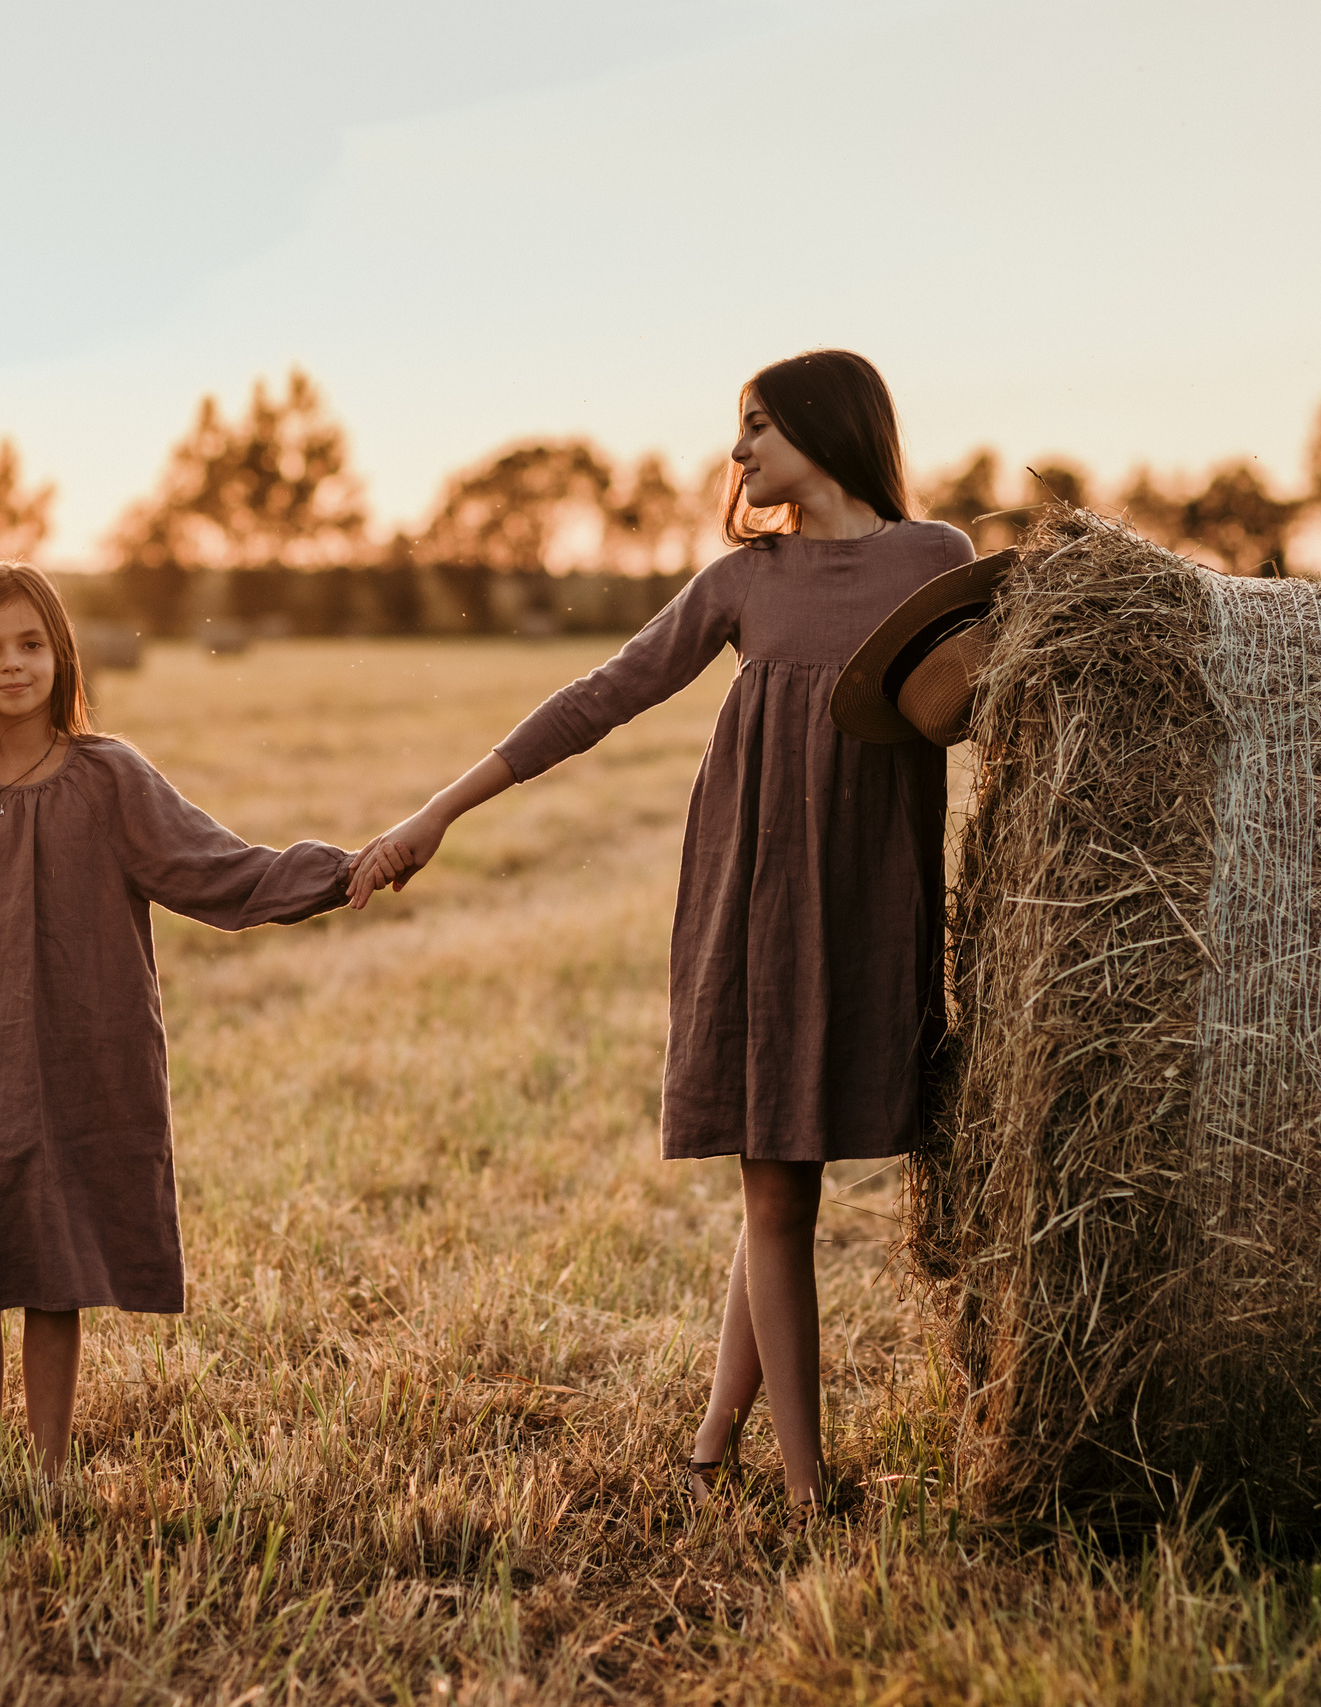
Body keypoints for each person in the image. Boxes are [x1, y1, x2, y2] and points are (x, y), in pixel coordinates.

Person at [349, 350, 975, 1511]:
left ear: (823, 427)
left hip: (869, 903)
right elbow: (599, 696)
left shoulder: (933, 562)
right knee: (779, 1190)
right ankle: (803, 1488)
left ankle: (707, 1452)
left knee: (787, 1189)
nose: (735, 453)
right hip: (758, 905)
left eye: (756, 427)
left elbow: (990, 697)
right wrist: (437, 812)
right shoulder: (746, 581)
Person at [0, 561, 364, 1486]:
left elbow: (216, 867)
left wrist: (335, 872)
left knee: (56, 1263)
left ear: (63, 653)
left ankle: (46, 1469)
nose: (13, 665)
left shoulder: (108, 776)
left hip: (85, 1058)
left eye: (31, 644)